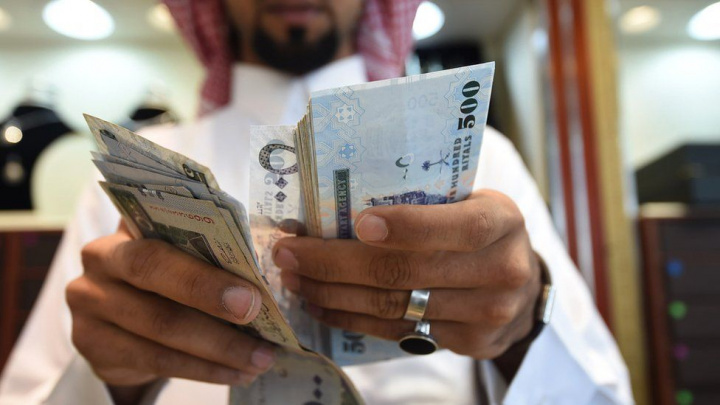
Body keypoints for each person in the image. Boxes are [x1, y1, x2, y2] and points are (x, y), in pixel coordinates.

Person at [0, 0, 634, 404]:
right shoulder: (132, 174)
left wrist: (521, 330)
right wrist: (110, 380)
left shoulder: (483, 157)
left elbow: (602, 392)